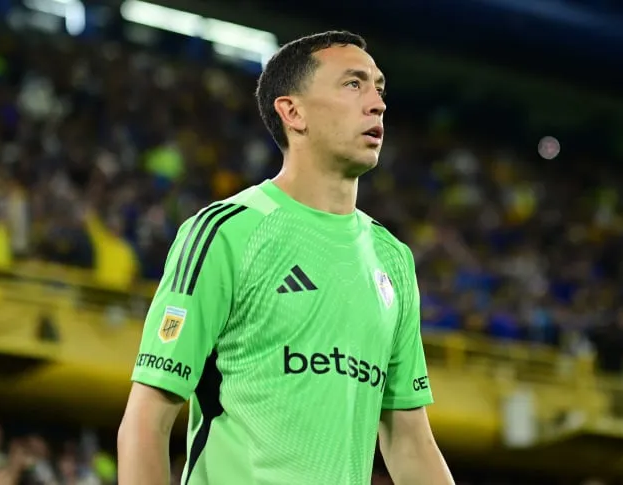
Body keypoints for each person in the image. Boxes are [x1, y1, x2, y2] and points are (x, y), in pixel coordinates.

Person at [118, 31, 454, 485]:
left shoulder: (392, 259)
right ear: (293, 112)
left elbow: (409, 440)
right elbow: (146, 421)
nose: (377, 103)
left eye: (379, 88)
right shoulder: (225, 233)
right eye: (353, 84)